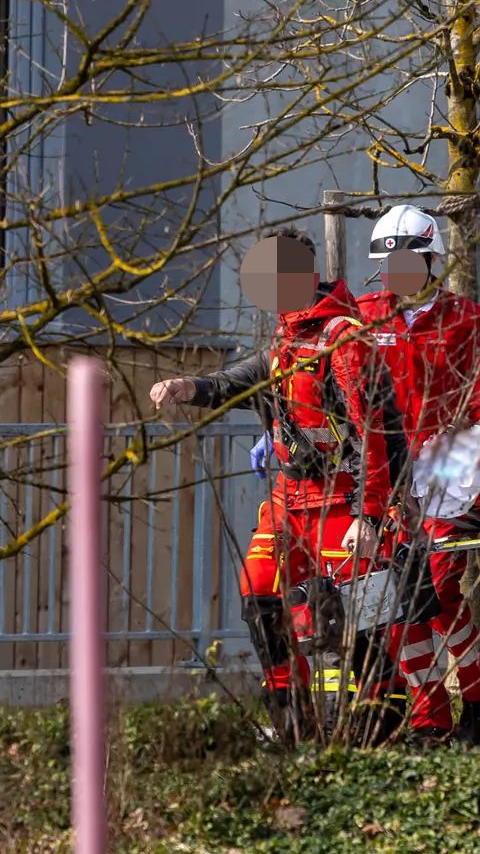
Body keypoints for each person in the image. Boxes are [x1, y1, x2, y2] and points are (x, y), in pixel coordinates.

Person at [149, 228, 408, 740]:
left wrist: (371, 515)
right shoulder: (284, 341)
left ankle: (381, 723)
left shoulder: (343, 340)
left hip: (343, 500)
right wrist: (186, 387)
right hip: (290, 500)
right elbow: (236, 381)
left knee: (357, 619)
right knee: (258, 592)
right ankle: (292, 717)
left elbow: (376, 434)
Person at [356, 203, 480, 745]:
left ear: (430, 262)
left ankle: (479, 697)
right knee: (398, 608)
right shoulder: (363, 317)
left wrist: (466, 479)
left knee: (437, 596)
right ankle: (429, 719)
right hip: (385, 473)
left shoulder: (465, 319)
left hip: (444, 470)